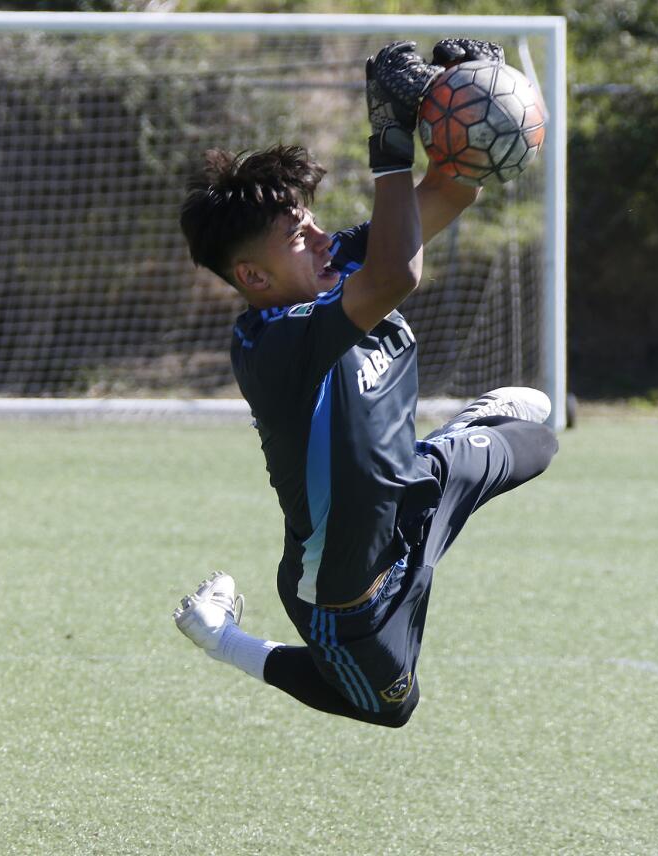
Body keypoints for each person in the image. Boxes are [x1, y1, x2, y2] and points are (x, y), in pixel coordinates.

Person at [173, 39, 558, 727]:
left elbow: (454, 189)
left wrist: (459, 94)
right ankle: (219, 636)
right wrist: (388, 146)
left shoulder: (337, 263)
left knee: (540, 436)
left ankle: (458, 441)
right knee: (391, 706)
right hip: (349, 593)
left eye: (312, 220)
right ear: (254, 278)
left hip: (415, 490)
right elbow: (397, 275)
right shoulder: (272, 343)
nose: (322, 236)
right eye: (298, 235)